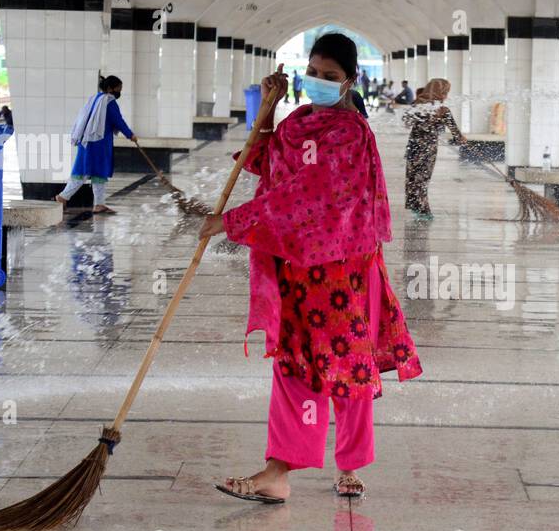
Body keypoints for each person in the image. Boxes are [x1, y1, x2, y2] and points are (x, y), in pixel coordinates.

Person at [198, 32, 422, 502]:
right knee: (293, 364)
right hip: (297, 267)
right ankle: (278, 472)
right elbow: (265, 162)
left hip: (342, 270)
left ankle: (350, 464)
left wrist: (233, 222)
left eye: (331, 76)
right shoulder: (298, 121)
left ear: (350, 80)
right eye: (314, 73)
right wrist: (267, 107)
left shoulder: (350, 133)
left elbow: (311, 195)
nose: (319, 82)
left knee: (348, 367)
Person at [58, 74, 136, 215]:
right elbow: (118, 121)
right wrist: (130, 135)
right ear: (111, 88)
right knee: (84, 172)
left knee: (98, 174)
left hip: (88, 141)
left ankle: (99, 204)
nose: (120, 92)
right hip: (97, 144)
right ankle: (63, 197)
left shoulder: (95, 99)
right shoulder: (109, 102)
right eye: (119, 89)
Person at [402, 78, 464, 219]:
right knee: (423, 179)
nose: (446, 95)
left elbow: (406, 121)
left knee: (412, 177)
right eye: (445, 92)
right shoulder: (442, 110)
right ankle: (423, 210)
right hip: (428, 149)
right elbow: (456, 133)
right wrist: (462, 140)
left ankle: (416, 206)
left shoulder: (417, 104)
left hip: (414, 147)